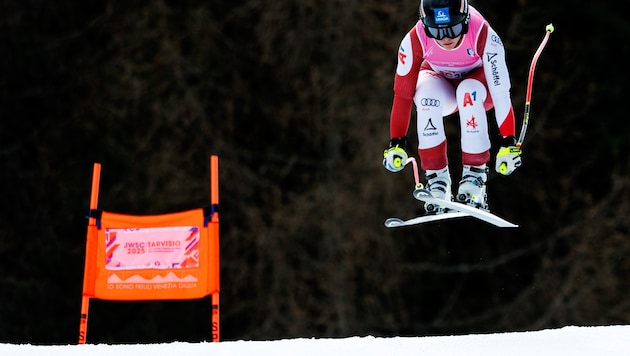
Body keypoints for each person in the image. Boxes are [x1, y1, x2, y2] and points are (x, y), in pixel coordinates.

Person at [383, 0, 522, 214]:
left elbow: (500, 93)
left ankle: (474, 179)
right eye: (436, 32)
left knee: (467, 91)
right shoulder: (416, 38)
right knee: (425, 95)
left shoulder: (482, 33)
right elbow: (402, 96)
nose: (446, 37)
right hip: (442, 83)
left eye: (454, 29)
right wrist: (396, 143)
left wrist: (508, 142)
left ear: (465, 22)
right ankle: (437, 182)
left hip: (479, 86)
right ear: (425, 25)